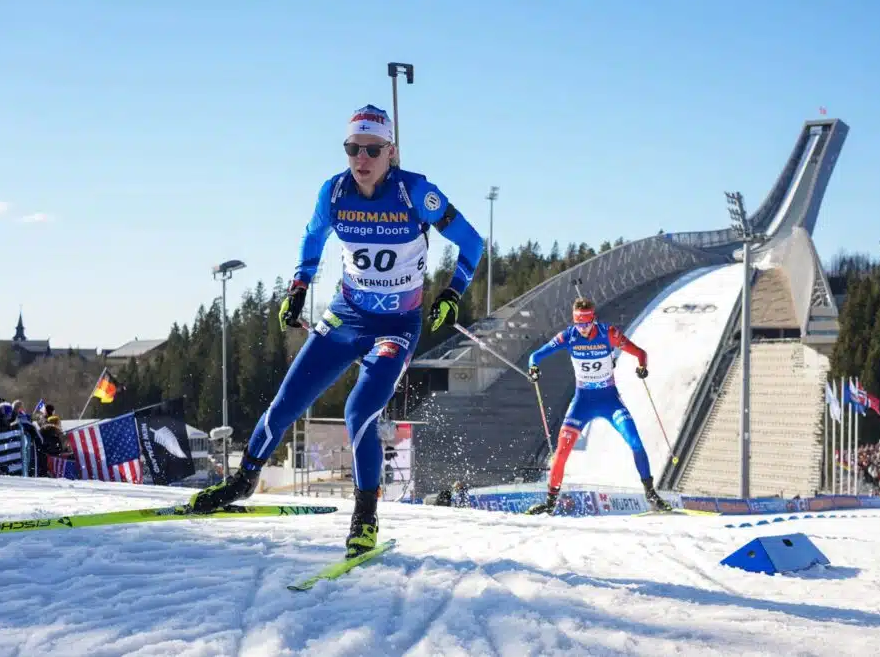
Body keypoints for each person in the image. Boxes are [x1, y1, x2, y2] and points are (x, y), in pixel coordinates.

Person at [189, 104, 484, 558]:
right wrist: (298, 286)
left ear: (392, 152)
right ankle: (243, 480)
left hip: (396, 326)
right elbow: (312, 237)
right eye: (352, 148)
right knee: (287, 402)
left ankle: (365, 517)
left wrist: (452, 292)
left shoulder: (416, 194)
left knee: (358, 410)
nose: (361, 158)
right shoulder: (334, 193)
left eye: (372, 149)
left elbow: (471, 242)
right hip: (346, 316)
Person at [525, 297, 671, 515]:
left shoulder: (608, 333)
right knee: (561, 452)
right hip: (582, 402)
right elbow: (535, 356)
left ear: (593, 319)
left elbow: (640, 353)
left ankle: (651, 493)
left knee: (636, 443)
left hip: (609, 400)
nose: (582, 329)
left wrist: (642, 367)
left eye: (586, 324)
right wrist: (534, 368)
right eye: (578, 324)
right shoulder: (569, 336)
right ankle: (550, 503)